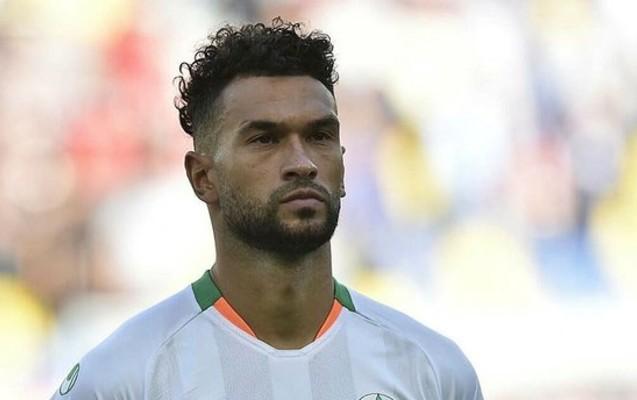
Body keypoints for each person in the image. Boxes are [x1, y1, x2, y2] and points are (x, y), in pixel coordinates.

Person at [51, 18, 483, 400]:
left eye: (320, 136)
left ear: (343, 164)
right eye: (265, 139)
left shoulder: (433, 372)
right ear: (203, 177)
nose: (303, 163)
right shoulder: (123, 379)